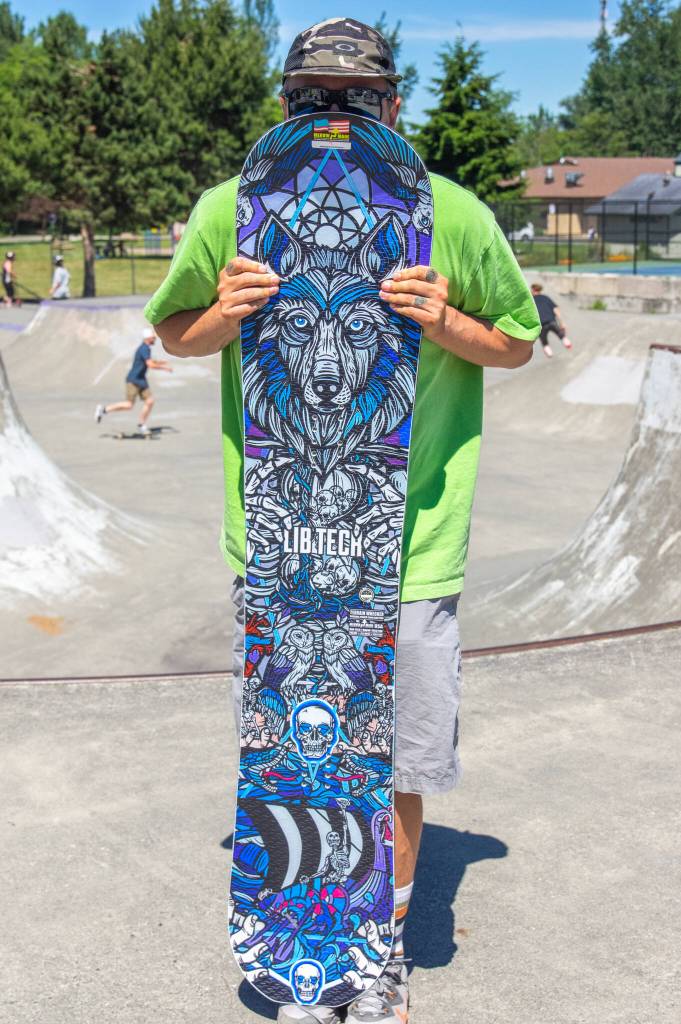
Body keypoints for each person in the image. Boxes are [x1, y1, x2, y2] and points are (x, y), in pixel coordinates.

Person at [144, 18, 540, 1024]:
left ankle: (374, 953)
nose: (334, 113)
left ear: (392, 105)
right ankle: (300, 934)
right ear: (284, 106)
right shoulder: (230, 211)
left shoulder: (448, 212)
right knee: (295, 747)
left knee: (390, 754)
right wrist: (220, 320)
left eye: (354, 97)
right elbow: (171, 332)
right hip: (280, 538)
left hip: (411, 543)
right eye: (312, 96)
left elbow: (519, 341)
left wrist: (448, 323)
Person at [94, 326, 173, 434]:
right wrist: (165, 368)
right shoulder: (144, 348)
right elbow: (150, 364)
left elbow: (150, 361)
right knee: (129, 405)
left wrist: (161, 363)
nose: (155, 339)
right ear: (148, 338)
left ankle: (141, 425)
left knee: (150, 401)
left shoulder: (145, 348)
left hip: (141, 379)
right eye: (153, 338)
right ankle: (103, 410)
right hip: (134, 380)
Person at [531, 282, 573, 358]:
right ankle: (567, 343)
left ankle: (549, 353)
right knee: (561, 334)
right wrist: (562, 322)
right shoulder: (546, 297)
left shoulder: (531, 300)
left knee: (544, 342)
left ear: (533, 290)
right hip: (551, 321)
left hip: (541, 325)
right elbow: (555, 309)